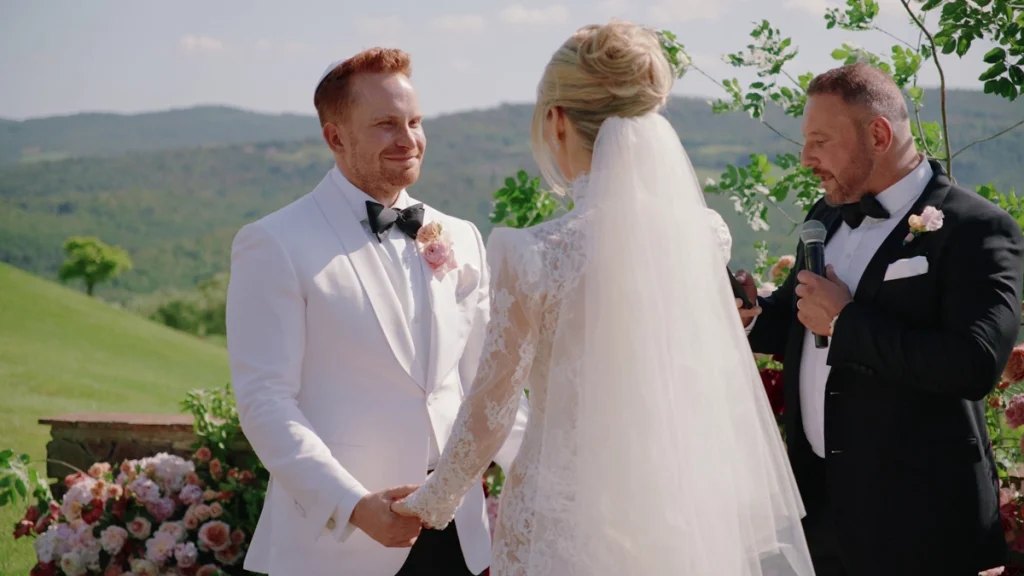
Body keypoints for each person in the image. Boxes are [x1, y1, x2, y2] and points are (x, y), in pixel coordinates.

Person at [392, 21, 814, 576]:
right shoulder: (705, 233)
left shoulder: (531, 254)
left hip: (562, 517)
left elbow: (491, 409)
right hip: (674, 503)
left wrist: (430, 502)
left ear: (559, 119)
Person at [225, 48, 529, 576]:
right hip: (337, 546)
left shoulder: (460, 236)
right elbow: (265, 401)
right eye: (387, 124)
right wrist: (353, 506)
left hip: (460, 536)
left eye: (414, 121)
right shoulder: (273, 242)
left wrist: (548, 471)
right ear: (335, 137)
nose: (408, 139)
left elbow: (489, 382)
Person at [736, 63, 1022, 576]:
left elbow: (973, 364)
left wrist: (847, 322)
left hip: (920, 528)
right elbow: (806, 321)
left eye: (820, 141)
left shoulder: (976, 228)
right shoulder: (824, 215)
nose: (806, 159)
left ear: (878, 133)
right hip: (819, 515)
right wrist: (754, 316)